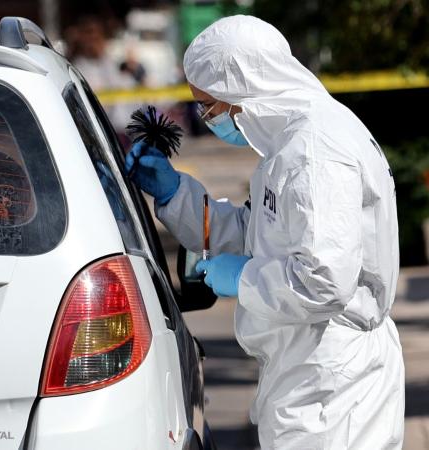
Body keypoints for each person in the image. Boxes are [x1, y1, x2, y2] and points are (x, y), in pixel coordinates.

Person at [125, 16, 404, 449]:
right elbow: (257, 234)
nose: (207, 117)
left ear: (242, 93)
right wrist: (175, 193)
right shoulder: (287, 146)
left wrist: (243, 278)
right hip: (307, 367)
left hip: (333, 383)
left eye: (209, 105)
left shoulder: (315, 152)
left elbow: (323, 282)